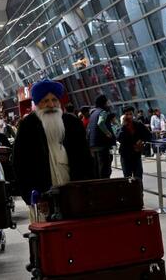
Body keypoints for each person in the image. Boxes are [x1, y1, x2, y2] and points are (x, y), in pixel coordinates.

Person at [13, 79, 94, 210]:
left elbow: (86, 159)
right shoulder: (28, 126)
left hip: (75, 194)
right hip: (42, 199)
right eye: (45, 101)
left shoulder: (72, 123)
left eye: (54, 100)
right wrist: (31, 197)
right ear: (38, 104)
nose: (51, 104)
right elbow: (20, 165)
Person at [117, 106, 152, 180]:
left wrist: (142, 140)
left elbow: (149, 135)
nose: (129, 116)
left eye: (130, 114)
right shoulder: (121, 127)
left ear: (133, 114)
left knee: (138, 176)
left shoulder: (138, 124)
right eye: (127, 114)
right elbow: (119, 138)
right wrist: (123, 126)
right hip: (125, 155)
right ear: (124, 116)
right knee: (127, 178)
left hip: (136, 154)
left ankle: (139, 191)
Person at [87, 95, 116, 179]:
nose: (108, 104)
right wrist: (108, 133)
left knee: (97, 170)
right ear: (104, 103)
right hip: (102, 144)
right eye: (107, 102)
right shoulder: (102, 112)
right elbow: (100, 123)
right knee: (105, 170)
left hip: (93, 145)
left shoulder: (93, 113)